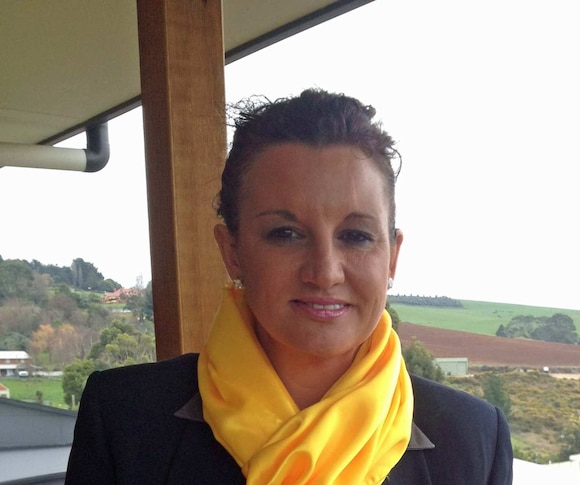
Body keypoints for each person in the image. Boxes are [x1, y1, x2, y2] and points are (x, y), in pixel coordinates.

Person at [65, 89, 513, 484]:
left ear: (392, 255)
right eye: (285, 233)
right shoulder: (126, 419)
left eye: (356, 236)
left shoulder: (472, 439)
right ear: (232, 251)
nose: (325, 272)